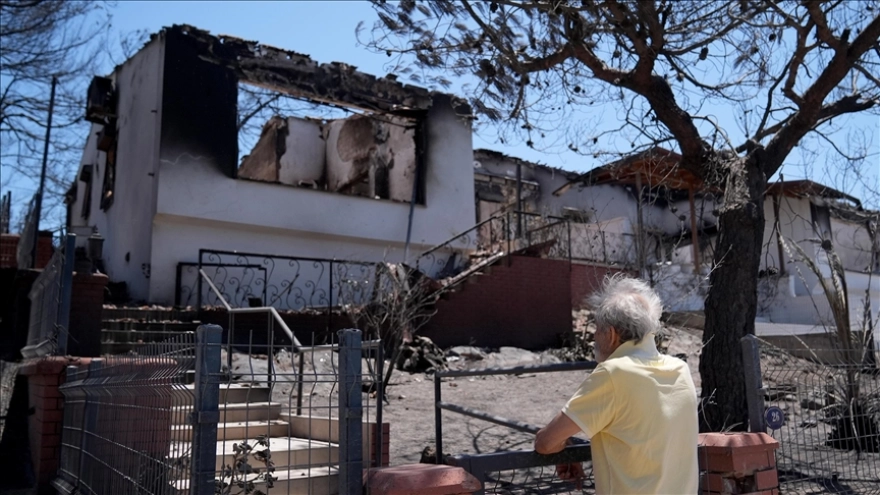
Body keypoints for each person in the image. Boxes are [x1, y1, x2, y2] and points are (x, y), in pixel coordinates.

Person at [535, 274, 698, 494]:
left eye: (597, 330)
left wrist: (564, 447)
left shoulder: (614, 373)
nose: (594, 338)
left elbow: (546, 442)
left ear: (611, 334)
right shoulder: (680, 370)